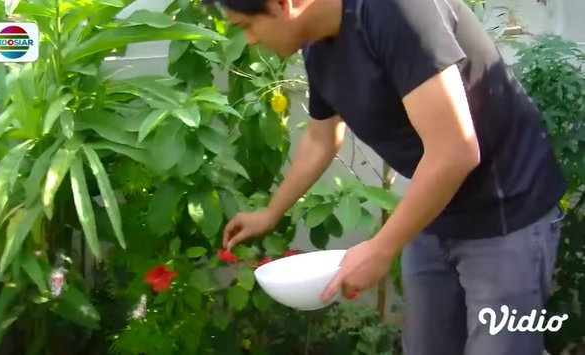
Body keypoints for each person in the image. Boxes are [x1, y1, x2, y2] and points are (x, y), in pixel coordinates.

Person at [204, 0, 567, 353]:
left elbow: (456, 150)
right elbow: (322, 138)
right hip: (434, 209)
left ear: (284, 4)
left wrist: (381, 247)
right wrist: (271, 212)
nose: (249, 39)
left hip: (508, 212)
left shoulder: (398, 10)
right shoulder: (318, 42)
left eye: (247, 25)